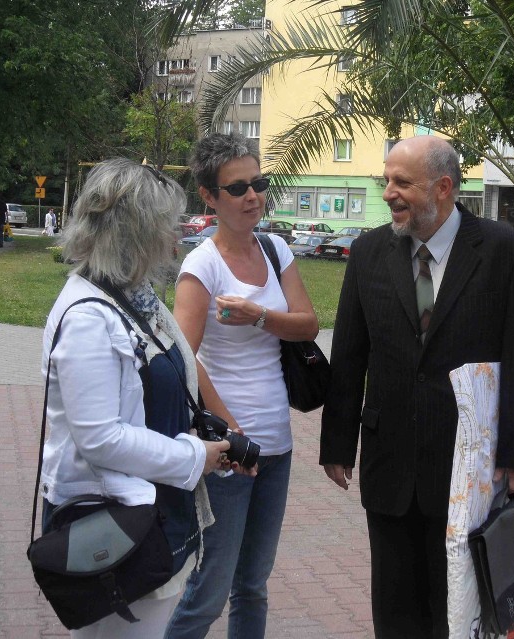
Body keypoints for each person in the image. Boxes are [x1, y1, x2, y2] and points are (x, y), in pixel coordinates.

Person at [319, 135, 514, 638]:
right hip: (389, 464)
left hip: (468, 466)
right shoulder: (368, 252)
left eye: (402, 182)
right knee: (395, 610)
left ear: (443, 187)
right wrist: (337, 445)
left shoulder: (507, 253)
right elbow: (351, 353)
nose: (389, 192)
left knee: (458, 607)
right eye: (387, 180)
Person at [40, 158, 237, 638]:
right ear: (135, 233)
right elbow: (100, 438)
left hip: (149, 513)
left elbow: (167, 384)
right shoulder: (90, 316)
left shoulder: (133, 296)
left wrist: (211, 437)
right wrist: (195, 455)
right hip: (112, 525)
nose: (176, 242)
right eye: (166, 228)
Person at [166, 132, 319, 639]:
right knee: (211, 588)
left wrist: (258, 317)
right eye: (238, 188)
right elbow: (182, 359)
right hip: (229, 452)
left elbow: (308, 324)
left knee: (253, 584)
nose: (253, 195)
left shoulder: (276, 250)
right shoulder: (201, 265)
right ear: (209, 197)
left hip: (277, 443)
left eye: (258, 183)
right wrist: (230, 435)